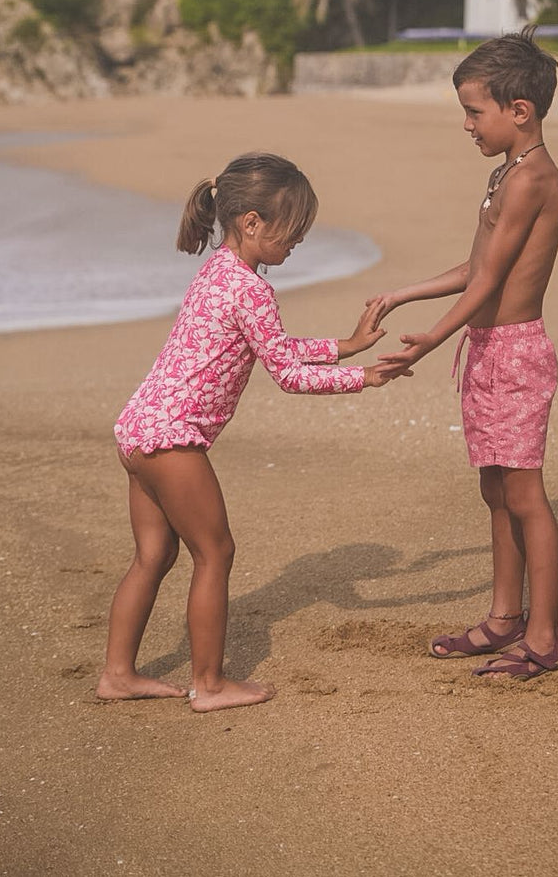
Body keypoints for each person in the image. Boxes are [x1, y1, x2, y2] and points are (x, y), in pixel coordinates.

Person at [97, 152, 399, 712]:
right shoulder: (252, 289)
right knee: (216, 553)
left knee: (153, 557)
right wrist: (364, 378)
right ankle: (209, 685)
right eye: (292, 233)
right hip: (173, 438)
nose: (297, 244)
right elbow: (286, 374)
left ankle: (117, 674)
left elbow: (275, 349)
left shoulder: (218, 270)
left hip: (138, 430)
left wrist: (347, 346)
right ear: (252, 222)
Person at [372, 28, 558, 680]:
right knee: (494, 489)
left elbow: (490, 285)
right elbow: (475, 266)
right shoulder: (503, 173)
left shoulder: (534, 179)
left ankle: (543, 636)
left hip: (514, 353)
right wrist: (404, 294)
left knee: (525, 494)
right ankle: (504, 617)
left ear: (521, 111)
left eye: (473, 111)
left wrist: (432, 338)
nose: (466, 125)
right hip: (484, 349)